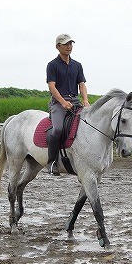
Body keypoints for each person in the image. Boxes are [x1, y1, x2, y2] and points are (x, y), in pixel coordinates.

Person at [46, 33, 90, 176]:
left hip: (75, 102)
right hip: (59, 103)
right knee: (58, 129)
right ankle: (52, 162)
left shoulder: (77, 65)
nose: (69, 46)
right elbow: (52, 87)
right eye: (66, 44)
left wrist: (85, 100)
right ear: (58, 46)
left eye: (71, 44)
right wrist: (63, 102)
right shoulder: (52, 65)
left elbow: (81, 84)